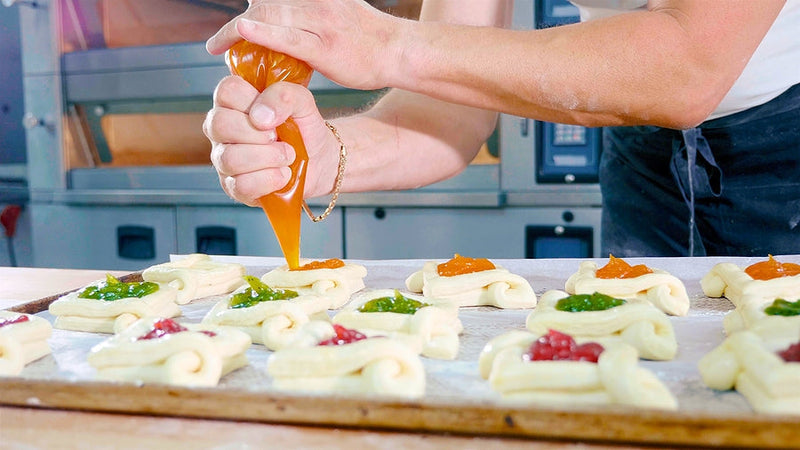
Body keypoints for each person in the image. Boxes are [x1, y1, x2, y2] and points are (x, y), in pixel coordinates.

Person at [202, 0, 800, 257]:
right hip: (641, 155)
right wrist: (320, 155)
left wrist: (387, 41)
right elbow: (441, 114)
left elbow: (685, 69)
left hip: (784, 142)